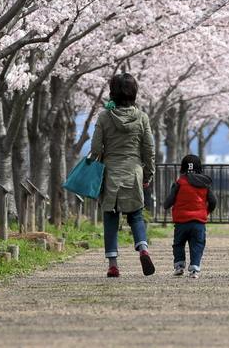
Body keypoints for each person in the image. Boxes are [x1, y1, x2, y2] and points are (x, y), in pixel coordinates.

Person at [90, 71, 157, 277]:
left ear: (113, 93)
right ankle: (143, 248)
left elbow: (95, 148)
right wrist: (148, 174)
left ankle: (113, 264)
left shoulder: (104, 116)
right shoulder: (142, 117)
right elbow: (149, 149)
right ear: (134, 93)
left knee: (110, 216)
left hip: (110, 172)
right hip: (133, 171)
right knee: (136, 214)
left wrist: (96, 164)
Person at [164, 152, 216, 277]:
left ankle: (179, 266)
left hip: (181, 222)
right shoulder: (205, 184)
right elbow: (213, 201)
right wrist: (206, 211)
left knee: (178, 244)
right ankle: (194, 268)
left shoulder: (179, 183)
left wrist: (166, 205)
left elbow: (169, 201)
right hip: (198, 222)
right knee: (197, 244)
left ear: (182, 168)